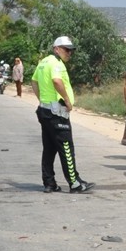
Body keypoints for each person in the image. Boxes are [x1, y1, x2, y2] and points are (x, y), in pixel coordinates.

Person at [30, 36, 93, 193]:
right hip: (57, 112)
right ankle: (74, 183)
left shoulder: (44, 62)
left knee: (49, 148)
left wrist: (41, 99)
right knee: (66, 147)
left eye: (71, 50)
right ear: (56, 49)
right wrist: (67, 100)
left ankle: (49, 182)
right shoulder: (56, 63)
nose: (69, 53)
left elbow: (34, 81)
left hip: (45, 110)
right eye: (66, 50)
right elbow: (57, 81)